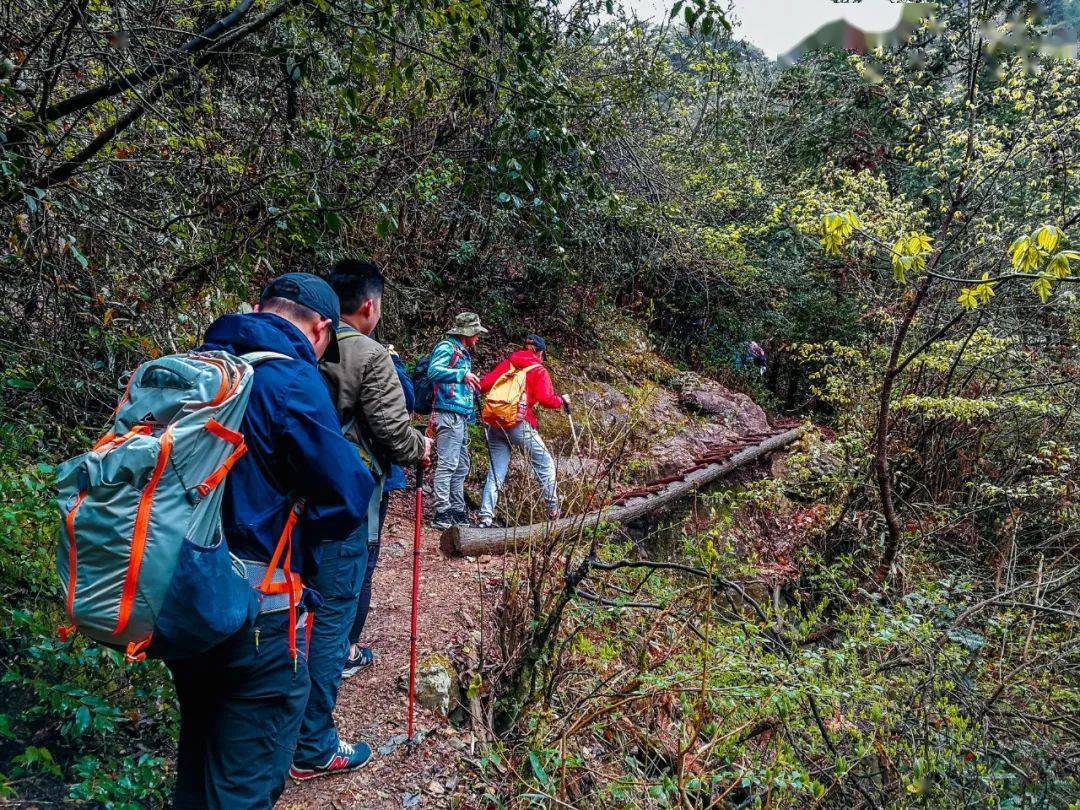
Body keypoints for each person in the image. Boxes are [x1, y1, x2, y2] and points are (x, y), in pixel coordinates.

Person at [167, 273, 373, 808]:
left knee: (199, 752)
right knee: (247, 776)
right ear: (322, 329)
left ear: (259, 308)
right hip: (256, 611)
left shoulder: (202, 368)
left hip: (180, 593)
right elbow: (350, 495)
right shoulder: (291, 382)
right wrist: (306, 526)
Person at [292, 259, 430, 779]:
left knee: (290, 611)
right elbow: (396, 435)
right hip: (341, 505)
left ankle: (279, 723)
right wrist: (423, 448)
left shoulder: (296, 347)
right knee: (330, 619)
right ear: (369, 305)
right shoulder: (367, 354)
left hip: (283, 503)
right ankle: (313, 746)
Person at [342, 343, 416, 679]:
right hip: (366, 474)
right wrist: (394, 361)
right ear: (370, 306)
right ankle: (348, 649)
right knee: (364, 560)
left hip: (327, 472)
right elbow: (403, 409)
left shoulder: (314, 353)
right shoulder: (371, 357)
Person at [476, 334, 569, 527]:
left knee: (496, 472)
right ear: (541, 353)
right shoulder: (538, 369)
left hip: (496, 424)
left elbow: (484, 385)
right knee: (545, 463)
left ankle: (485, 517)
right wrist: (562, 400)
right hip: (519, 424)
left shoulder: (508, 364)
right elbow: (546, 399)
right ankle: (553, 510)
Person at [427, 312, 487, 529]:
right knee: (448, 463)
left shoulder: (462, 353)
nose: (478, 337)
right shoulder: (447, 348)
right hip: (448, 413)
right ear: (467, 333)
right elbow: (433, 371)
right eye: (476, 333)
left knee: (461, 466)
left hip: (459, 415)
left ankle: (456, 508)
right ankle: (441, 512)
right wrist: (462, 375)